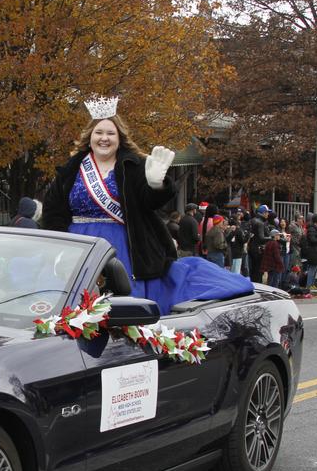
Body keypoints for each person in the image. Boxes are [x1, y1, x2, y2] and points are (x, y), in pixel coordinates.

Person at [41, 99, 251, 312]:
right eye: (99, 132)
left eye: (110, 133)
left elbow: (149, 202)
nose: (104, 138)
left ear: (120, 138)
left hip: (124, 246)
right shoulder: (72, 168)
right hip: (78, 248)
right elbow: (53, 210)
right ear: (90, 136)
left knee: (123, 302)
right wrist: (58, 247)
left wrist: (156, 185)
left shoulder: (134, 165)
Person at [301, 213, 317, 290]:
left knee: (315, 269)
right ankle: (308, 286)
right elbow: (312, 240)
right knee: (312, 269)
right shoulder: (311, 229)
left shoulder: (316, 229)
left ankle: (311, 284)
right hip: (313, 252)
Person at [246, 204, 271, 283]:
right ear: (263, 213)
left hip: (251, 248)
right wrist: (272, 238)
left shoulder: (252, 220)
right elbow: (261, 238)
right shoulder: (260, 223)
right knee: (258, 271)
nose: (268, 214)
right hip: (258, 250)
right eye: (267, 212)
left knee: (253, 270)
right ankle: (258, 286)